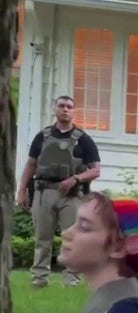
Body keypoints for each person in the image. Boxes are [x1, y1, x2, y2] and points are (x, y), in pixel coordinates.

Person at [16, 95, 102, 288]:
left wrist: (76, 178)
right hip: (43, 191)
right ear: (54, 109)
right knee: (42, 238)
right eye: (61, 106)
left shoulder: (83, 139)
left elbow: (95, 170)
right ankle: (39, 279)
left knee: (72, 237)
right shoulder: (43, 136)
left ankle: (72, 279)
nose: (65, 109)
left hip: (71, 195)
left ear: (74, 111)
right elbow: (30, 165)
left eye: (69, 106)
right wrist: (22, 190)